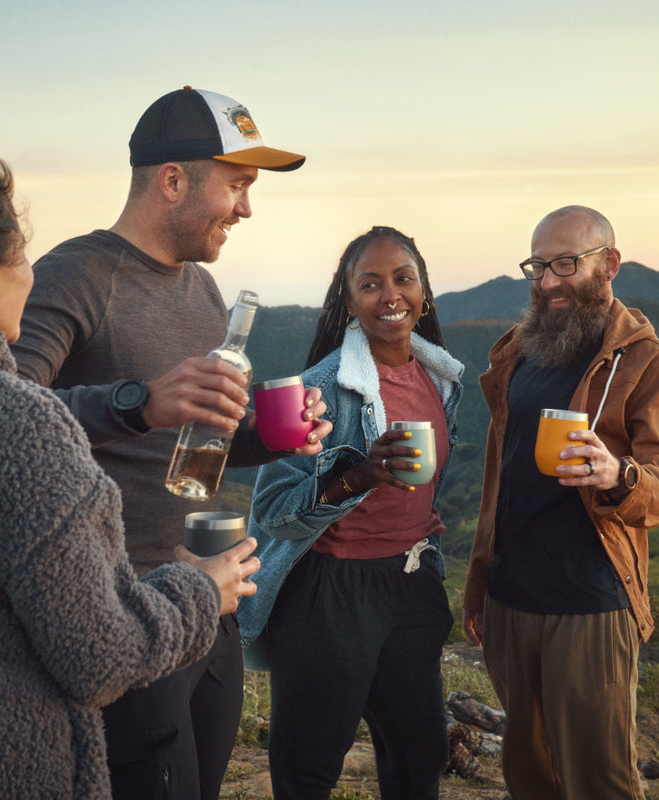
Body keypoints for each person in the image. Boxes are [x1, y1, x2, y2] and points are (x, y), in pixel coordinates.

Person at [0, 151, 259, 799]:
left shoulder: (200, 289)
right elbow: (100, 657)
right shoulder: (17, 420)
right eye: (21, 252)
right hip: (6, 766)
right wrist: (201, 588)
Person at [10, 86, 330, 800]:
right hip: (121, 611)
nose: (247, 207)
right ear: (173, 180)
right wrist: (135, 403)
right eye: (238, 185)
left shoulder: (202, 293)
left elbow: (196, 438)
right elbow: (3, 414)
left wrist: (275, 438)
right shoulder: (78, 275)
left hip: (209, 603)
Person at [461, 205, 659, 800]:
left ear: (608, 263)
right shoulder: (517, 351)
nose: (548, 282)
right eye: (537, 267)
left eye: (566, 263)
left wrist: (618, 474)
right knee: (529, 774)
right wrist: (481, 583)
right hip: (512, 599)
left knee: (599, 779)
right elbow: (500, 480)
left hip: (590, 602)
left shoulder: (649, 362)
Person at [237, 226, 465, 800]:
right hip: (330, 592)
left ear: (424, 292)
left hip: (410, 581)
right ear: (348, 301)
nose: (390, 295)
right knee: (310, 764)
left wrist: (420, 522)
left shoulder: (442, 379)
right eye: (370, 284)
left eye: (403, 279)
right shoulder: (320, 390)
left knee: (420, 753)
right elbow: (272, 512)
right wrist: (357, 476)